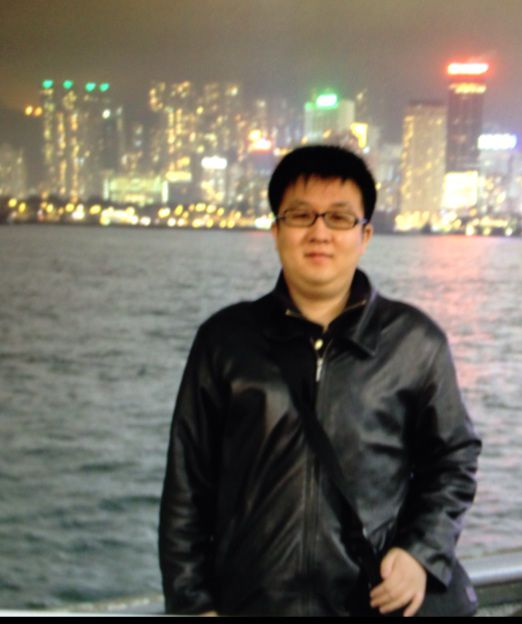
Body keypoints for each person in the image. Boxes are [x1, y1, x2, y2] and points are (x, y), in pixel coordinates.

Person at [158, 144, 481, 617]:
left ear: (365, 235)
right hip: (251, 605)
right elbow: (186, 487)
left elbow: (453, 460)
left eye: (339, 218)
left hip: (369, 604)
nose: (319, 232)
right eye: (300, 215)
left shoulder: (414, 342)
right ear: (276, 230)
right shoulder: (225, 341)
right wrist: (192, 604)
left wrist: (420, 553)